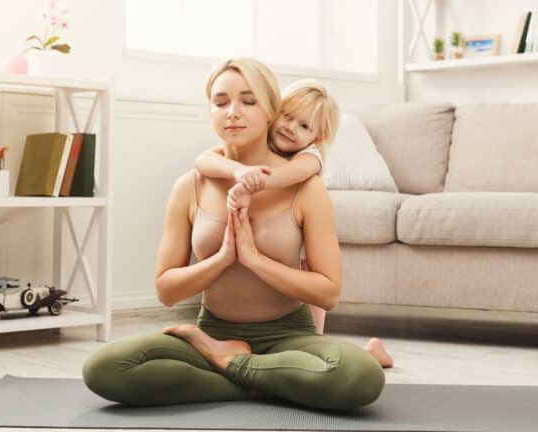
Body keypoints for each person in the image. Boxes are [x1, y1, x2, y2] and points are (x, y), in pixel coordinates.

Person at [82, 58, 385, 410]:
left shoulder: (307, 188)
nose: (233, 113)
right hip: (210, 333)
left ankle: (229, 365)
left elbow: (328, 293)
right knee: (104, 369)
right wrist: (223, 258)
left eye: (248, 101)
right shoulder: (189, 186)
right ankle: (269, 379)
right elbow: (166, 290)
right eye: (221, 102)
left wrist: (254, 259)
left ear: (272, 110)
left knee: (361, 376)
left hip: (289, 338)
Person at [193, 78, 393, 368]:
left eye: (304, 126)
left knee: (311, 347)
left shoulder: (309, 158)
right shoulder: (251, 146)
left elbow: (290, 175)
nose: (290, 128)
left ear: (317, 138)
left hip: (302, 262)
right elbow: (203, 160)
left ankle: (371, 355)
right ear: (273, 112)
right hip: (278, 255)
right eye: (287, 117)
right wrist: (238, 169)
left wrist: (254, 181)